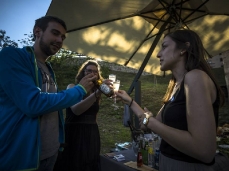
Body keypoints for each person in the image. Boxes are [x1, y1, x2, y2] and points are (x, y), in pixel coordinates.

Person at [116, 29, 225, 170]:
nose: (158, 54)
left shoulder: (195, 77)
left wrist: (150, 121)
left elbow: (204, 151)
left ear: (183, 49)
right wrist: (130, 101)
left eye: (165, 46)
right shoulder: (176, 85)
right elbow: (152, 124)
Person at [0, 16, 97, 171]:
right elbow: (33, 103)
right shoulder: (12, 56)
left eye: (63, 37)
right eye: (55, 33)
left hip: (51, 152)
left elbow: (54, 104)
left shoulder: (48, 69)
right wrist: (80, 89)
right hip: (21, 156)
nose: (60, 40)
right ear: (37, 31)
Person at [53, 60, 110, 171]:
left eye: (95, 72)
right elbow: (76, 110)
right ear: (83, 72)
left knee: (89, 164)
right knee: (73, 164)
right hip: (74, 132)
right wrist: (97, 94)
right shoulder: (72, 87)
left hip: (91, 132)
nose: (92, 74)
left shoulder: (96, 92)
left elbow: (94, 115)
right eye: (89, 70)